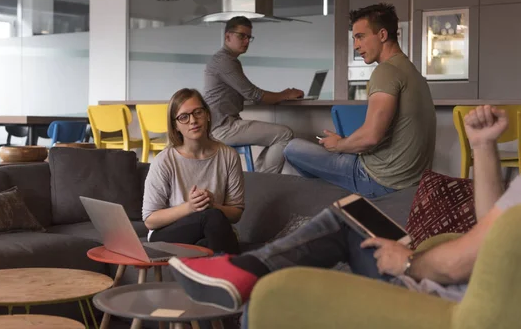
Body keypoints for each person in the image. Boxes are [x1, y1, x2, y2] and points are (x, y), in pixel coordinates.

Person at [169, 105, 518, 316]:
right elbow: (494, 228)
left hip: (445, 299)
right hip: (461, 286)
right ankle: (244, 271)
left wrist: (408, 261)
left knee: (339, 215)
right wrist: (484, 146)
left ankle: (244, 271)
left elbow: (469, 258)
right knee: (350, 216)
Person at [284, 3, 436, 198]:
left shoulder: (386, 71)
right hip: (411, 180)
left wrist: (338, 145)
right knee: (340, 153)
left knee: (292, 148)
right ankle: (341, 197)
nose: (356, 45)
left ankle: (339, 197)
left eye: (360, 37)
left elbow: (370, 137)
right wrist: (345, 143)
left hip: (380, 179)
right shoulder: (412, 71)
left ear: (382, 35)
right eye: (354, 38)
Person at [142, 88, 244, 254]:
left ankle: (215, 271)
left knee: (208, 235)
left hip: (212, 230)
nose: (193, 121)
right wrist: (190, 207)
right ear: (175, 126)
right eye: (184, 117)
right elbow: (150, 221)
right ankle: (234, 272)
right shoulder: (164, 161)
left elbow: (236, 213)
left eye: (198, 112)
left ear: (208, 115)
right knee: (211, 216)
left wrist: (213, 204)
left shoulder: (228, 156)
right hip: (166, 232)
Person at [203, 16, 304, 174]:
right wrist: (285, 94)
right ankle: (263, 181)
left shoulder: (227, 60)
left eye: (249, 37)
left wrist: (278, 95)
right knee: (284, 134)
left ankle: (257, 178)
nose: (246, 41)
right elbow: (253, 94)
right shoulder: (225, 61)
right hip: (222, 127)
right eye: (241, 36)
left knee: (277, 136)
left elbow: (246, 93)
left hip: (223, 125)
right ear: (227, 36)